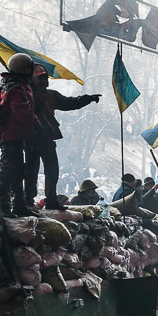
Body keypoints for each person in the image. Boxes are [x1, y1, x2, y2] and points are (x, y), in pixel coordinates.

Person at [24, 65, 100, 210]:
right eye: (41, 78)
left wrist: (86, 99)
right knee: (32, 171)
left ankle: (49, 199)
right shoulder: (26, 95)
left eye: (45, 78)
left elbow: (69, 103)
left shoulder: (49, 95)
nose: (44, 81)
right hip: (31, 139)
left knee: (51, 170)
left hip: (45, 138)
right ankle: (29, 199)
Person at [0, 53, 38, 217]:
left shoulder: (12, 84)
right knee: (7, 171)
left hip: (13, 134)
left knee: (18, 170)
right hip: (11, 135)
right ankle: (3, 207)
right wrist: (35, 123)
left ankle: (19, 204)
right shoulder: (15, 88)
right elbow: (23, 112)